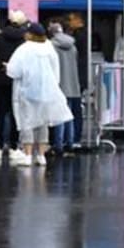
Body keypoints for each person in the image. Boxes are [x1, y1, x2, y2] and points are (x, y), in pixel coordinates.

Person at [6, 23, 74, 167]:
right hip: (46, 92)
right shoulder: (50, 49)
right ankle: (41, 155)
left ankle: (28, 155)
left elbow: (14, 71)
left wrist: (7, 67)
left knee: (27, 123)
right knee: (43, 122)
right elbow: (56, 72)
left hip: (25, 91)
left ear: (30, 35)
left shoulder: (23, 49)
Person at [0, 10, 29, 163]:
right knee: (16, 113)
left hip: (1, 78)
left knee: (1, 112)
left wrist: (0, 66)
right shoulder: (24, 39)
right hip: (18, 79)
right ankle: (14, 146)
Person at [49, 22, 82, 155]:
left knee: (59, 116)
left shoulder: (51, 46)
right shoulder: (73, 46)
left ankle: (58, 145)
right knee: (69, 116)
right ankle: (70, 143)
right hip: (72, 84)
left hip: (59, 84)